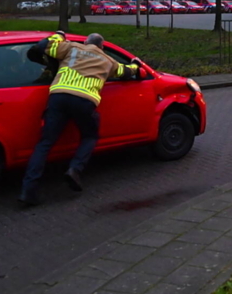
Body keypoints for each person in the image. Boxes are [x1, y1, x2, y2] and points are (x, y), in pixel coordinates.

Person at [19, 31, 145, 205]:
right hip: (84, 101)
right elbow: (126, 72)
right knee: (90, 135)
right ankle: (75, 169)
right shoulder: (108, 61)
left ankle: (28, 191)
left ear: (86, 42)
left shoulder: (71, 47)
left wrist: (59, 35)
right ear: (102, 46)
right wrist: (136, 65)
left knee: (45, 143)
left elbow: (44, 45)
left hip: (59, 96)